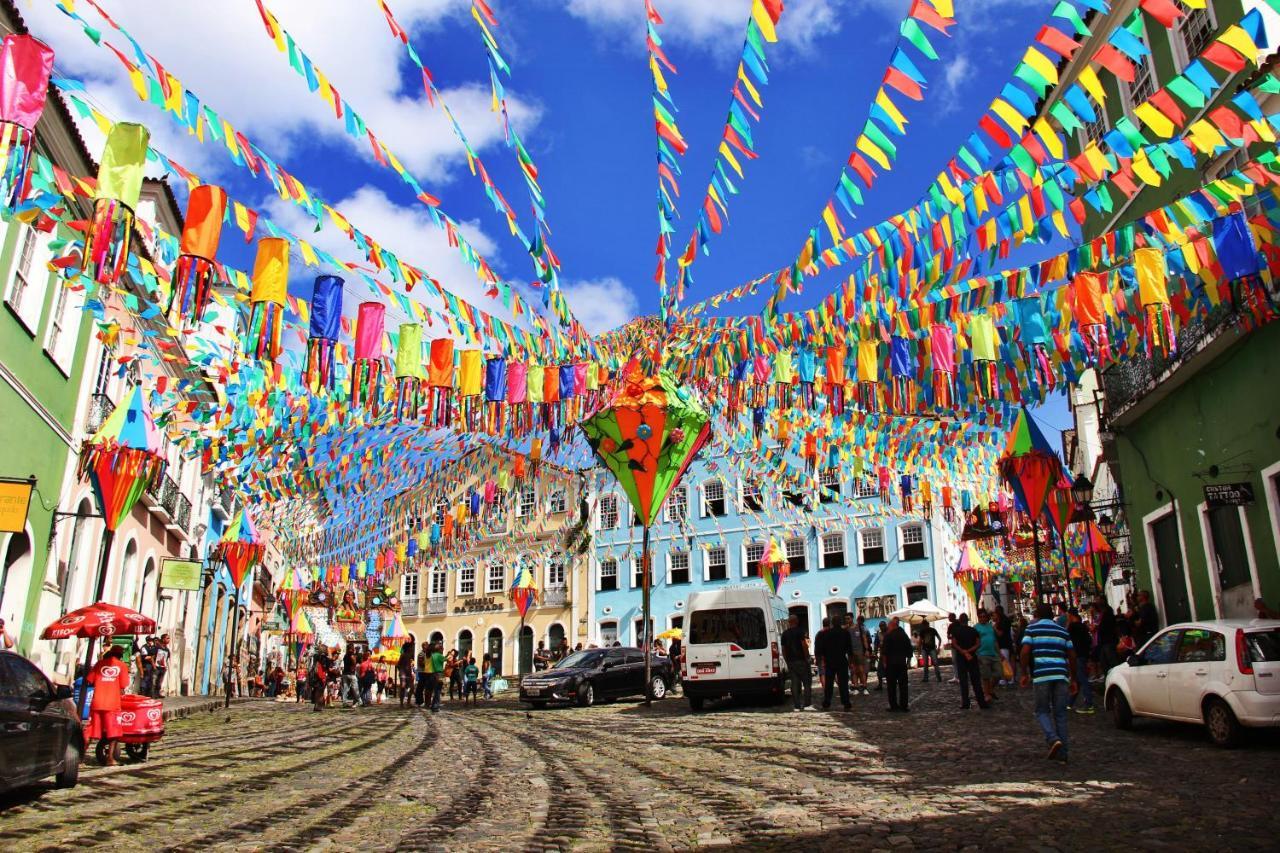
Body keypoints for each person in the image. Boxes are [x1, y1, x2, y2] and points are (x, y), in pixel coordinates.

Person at [1020, 602, 1078, 763]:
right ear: (1053, 615)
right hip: (1061, 675)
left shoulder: (1032, 629)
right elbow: (1072, 655)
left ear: (1037, 615)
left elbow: (1025, 651)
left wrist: (1024, 672)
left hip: (1042, 675)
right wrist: (1074, 678)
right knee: (1060, 714)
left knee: (1042, 711)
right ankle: (1063, 754)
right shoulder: (1062, 631)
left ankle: (1052, 738)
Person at [86, 645, 128, 766]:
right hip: (112, 703)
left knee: (90, 730)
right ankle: (110, 758)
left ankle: (80, 757)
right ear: (121, 655)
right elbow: (124, 684)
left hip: (97, 702)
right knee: (113, 732)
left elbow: (90, 679)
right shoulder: (122, 666)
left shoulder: (99, 664)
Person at [950, 614, 989, 710]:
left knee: (963, 681)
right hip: (972, 657)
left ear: (960, 620)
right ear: (967, 620)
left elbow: (954, 643)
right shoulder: (973, 630)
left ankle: (966, 703)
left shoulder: (956, 631)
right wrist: (969, 651)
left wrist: (963, 651)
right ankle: (981, 702)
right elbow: (978, 643)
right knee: (976, 681)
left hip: (961, 657)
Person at [814, 615, 852, 711]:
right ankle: (846, 702)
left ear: (832, 623)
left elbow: (820, 649)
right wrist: (851, 662)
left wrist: (821, 659)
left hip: (829, 661)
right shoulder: (845, 633)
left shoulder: (825, 634)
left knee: (829, 684)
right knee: (843, 683)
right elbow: (849, 649)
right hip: (841, 660)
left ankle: (827, 702)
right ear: (840, 622)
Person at [780, 613, 814, 711]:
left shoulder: (785, 634)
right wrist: (807, 657)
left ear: (789, 622)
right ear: (797, 621)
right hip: (801, 660)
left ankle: (796, 705)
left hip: (791, 661)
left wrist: (787, 660)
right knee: (806, 683)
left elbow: (783, 649)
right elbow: (804, 645)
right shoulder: (800, 631)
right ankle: (807, 704)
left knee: (794, 683)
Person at [880, 617, 914, 712]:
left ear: (892, 626)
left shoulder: (888, 636)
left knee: (891, 686)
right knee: (903, 685)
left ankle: (893, 705)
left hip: (891, 664)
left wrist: (884, 663)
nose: (888, 627)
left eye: (889, 626)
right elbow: (909, 649)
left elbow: (884, 651)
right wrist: (908, 661)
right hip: (901, 663)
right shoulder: (903, 635)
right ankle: (904, 705)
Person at [1066, 609, 1095, 714]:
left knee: (1082, 679)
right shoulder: (1083, 626)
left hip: (1077, 655)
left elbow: (1065, 634)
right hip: (1083, 654)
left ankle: (1089, 703)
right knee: (1078, 679)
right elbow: (1089, 641)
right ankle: (1069, 703)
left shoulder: (1072, 626)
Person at [974, 609, 1001, 702]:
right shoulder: (976, 628)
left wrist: (1000, 653)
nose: (982, 618)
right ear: (978, 617)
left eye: (984, 616)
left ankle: (990, 689)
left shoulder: (991, 627)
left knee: (998, 674)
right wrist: (976, 654)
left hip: (993, 653)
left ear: (987, 617)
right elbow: (974, 642)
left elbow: (995, 640)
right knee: (986, 676)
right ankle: (987, 694)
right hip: (982, 654)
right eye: (980, 617)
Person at [846, 614, 870, 695]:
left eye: (848, 618)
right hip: (850, 653)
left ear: (852, 618)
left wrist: (866, 650)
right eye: (846, 619)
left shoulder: (859, 627)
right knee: (853, 670)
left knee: (861, 670)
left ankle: (864, 687)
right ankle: (856, 687)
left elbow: (864, 638)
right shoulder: (846, 629)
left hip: (859, 651)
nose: (847, 620)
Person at [1094, 601, 1118, 674]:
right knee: (1106, 661)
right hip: (1105, 641)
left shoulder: (1106, 616)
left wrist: (1097, 627)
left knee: (1110, 660)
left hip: (1107, 641)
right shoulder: (1104, 615)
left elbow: (1105, 627)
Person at [993, 606, 1014, 685]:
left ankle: (1008, 678)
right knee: (1005, 661)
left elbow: (1000, 633)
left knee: (1005, 662)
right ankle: (1007, 678)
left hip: (1004, 644)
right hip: (1004, 644)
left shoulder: (1003, 621)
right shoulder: (1003, 620)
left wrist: (995, 627)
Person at [398, 636, 416, 707]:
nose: (412, 649)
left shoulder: (409, 656)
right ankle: (402, 703)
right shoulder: (403, 655)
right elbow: (399, 664)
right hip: (403, 673)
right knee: (403, 687)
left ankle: (408, 702)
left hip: (408, 673)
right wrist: (401, 672)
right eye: (411, 648)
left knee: (412, 688)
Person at [945, 613, 961, 684]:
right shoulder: (952, 625)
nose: (948, 618)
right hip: (955, 645)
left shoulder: (956, 624)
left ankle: (958, 676)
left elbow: (948, 636)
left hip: (959, 645)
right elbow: (948, 635)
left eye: (949, 617)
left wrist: (952, 637)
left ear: (953, 617)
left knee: (956, 660)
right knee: (955, 661)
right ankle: (957, 676)